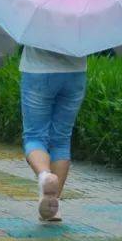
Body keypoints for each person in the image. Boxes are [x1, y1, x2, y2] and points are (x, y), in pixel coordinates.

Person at [19, 44, 87, 223]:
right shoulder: (82, 14)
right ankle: (53, 205)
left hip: (38, 70)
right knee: (61, 140)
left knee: (35, 136)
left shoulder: (34, 14)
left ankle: (45, 176)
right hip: (75, 72)